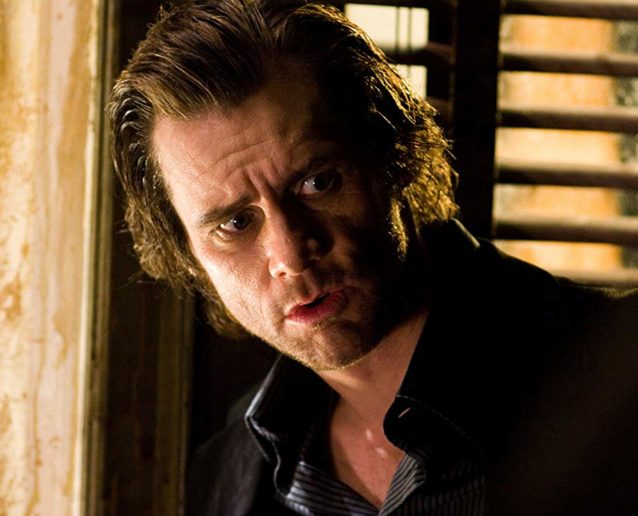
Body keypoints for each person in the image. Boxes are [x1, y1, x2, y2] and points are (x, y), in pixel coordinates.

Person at [108, 1, 638, 514]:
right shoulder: (227, 475)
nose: (291, 254)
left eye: (318, 182)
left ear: (394, 155)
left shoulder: (613, 374)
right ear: (188, 255)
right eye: (235, 224)